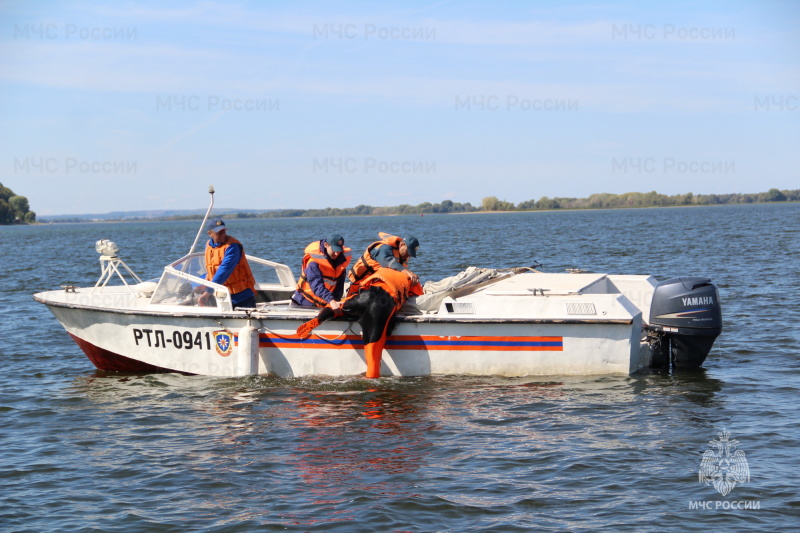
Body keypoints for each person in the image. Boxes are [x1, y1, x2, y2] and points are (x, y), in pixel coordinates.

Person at [296, 266, 424, 378]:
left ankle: (319, 319)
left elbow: (361, 285)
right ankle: (372, 378)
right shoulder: (411, 279)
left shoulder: (382, 271)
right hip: (384, 303)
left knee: (340, 305)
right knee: (374, 347)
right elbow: (418, 296)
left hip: (367, 294)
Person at [199, 219, 257, 309]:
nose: (223, 235)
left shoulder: (233, 246)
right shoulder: (208, 245)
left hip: (242, 297)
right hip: (222, 295)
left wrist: (208, 292)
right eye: (219, 233)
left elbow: (224, 270)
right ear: (210, 234)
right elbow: (211, 269)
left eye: (224, 231)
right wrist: (203, 285)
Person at [292, 234, 352, 310]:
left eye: (339, 251)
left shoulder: (340, 263)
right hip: (304, 303)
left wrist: (336, 302)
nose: (336, 254)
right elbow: (316, 286)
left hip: (323, 304)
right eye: (334, 250)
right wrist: (331, 301)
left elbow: (338, 288)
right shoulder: (313, 263)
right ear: (326, 245)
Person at [348, 233, 420, 290]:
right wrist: (408, 272)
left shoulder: (402, 256)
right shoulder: (384, 248)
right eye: (408, 252)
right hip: (359, 283)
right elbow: (388, 262)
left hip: (374, 284)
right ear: (402, 245)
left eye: (411, 254)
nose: (409, 256)